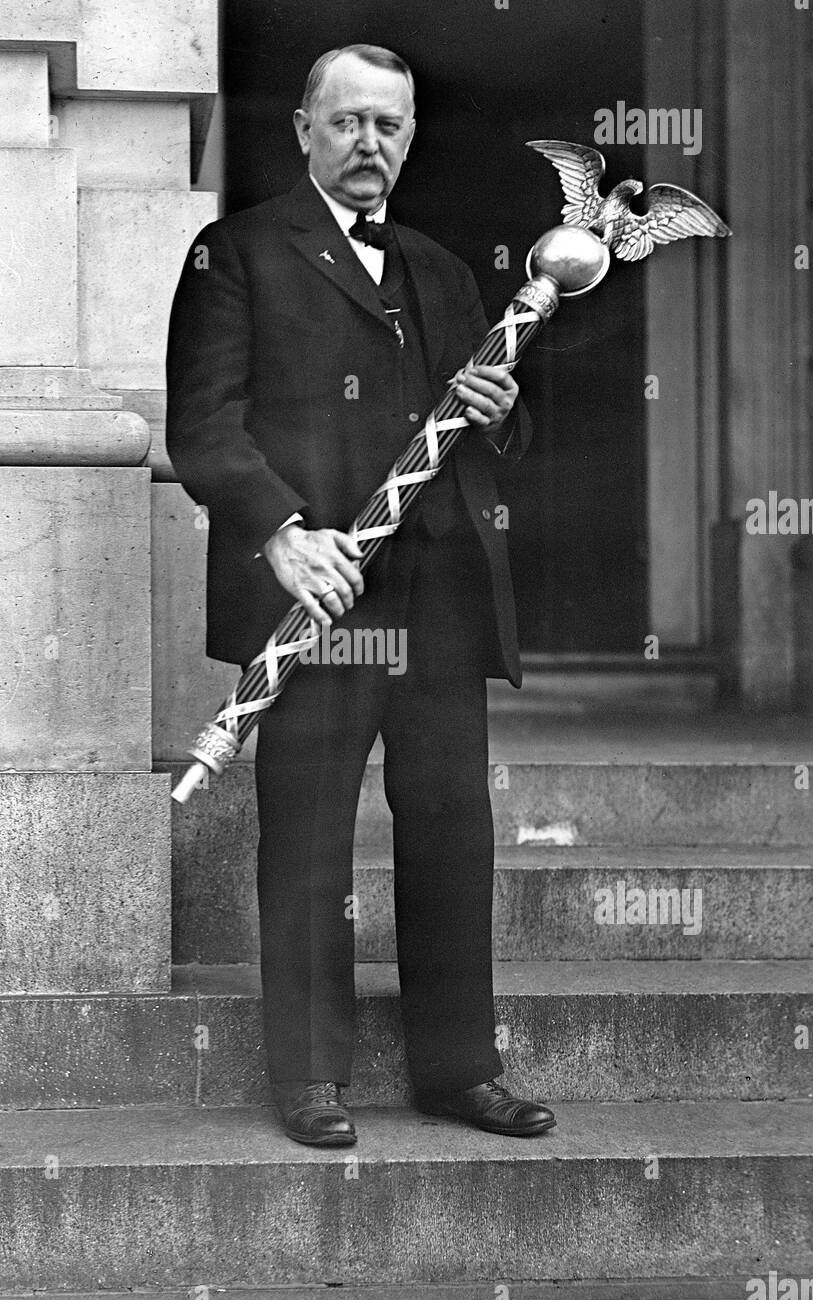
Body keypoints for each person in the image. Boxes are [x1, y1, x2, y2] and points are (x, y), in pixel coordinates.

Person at [166, 43, 556, 1146]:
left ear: (410, 132)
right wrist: (280, 538)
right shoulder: (232, 253)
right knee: (307, 834)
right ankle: (310, 1078)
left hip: (437, 592)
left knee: (449, 827)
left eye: (388, 124)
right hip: (320, 600)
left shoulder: (438, 268)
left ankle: (459, 1068)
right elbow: (203, 426)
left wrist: (498, 408)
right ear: (302, 130)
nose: (368, 144)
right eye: (345, 124)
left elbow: (502, 440)